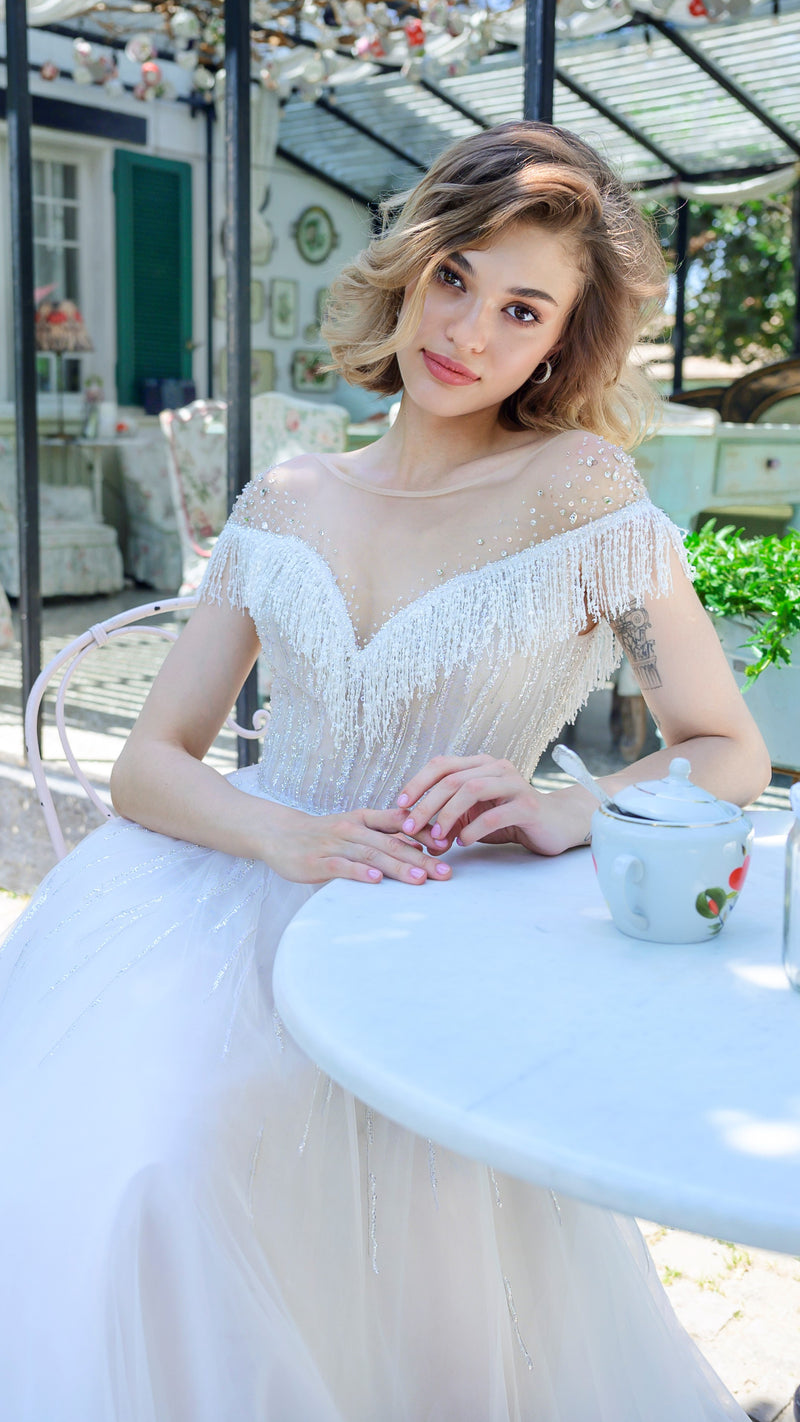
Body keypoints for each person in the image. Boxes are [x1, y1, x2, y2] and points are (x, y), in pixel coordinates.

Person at [0, 121, 769, 1420]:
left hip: (437, 915)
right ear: (414, 264)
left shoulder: (581, 490)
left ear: (560, 343)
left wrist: (568, 802)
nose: (468, 327)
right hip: (229, 890)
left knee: (425, 1274)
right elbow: (148, 761)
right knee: (152, 1169)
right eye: (456, 275)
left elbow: (725, 744)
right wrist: (283, 837)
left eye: (522, 309)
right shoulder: (289, 492)